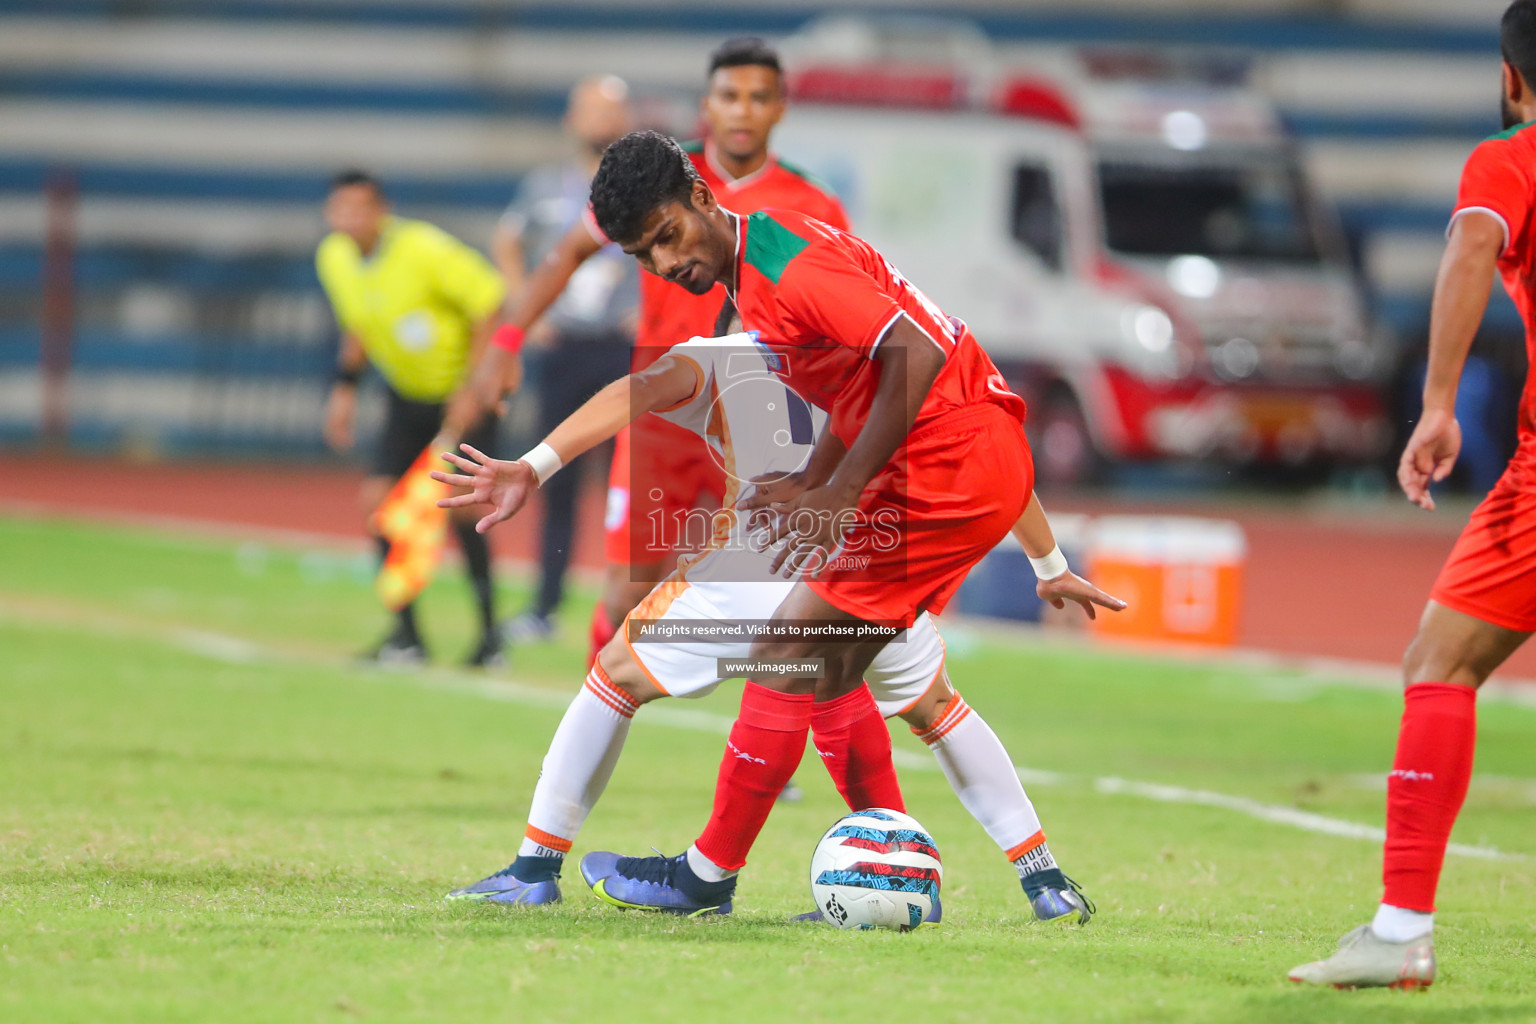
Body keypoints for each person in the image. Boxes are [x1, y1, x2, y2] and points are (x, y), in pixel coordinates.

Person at [471, 129, 1043, 914]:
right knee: (880, 690)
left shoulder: (764, 304)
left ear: (704, 197)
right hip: (948, 471)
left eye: (667, 238)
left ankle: (652, 874)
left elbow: (909, 354)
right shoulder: (777, 285)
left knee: (656, 669)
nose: (666, 265)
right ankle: (1009, 875)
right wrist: (824, 484)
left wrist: (833, 493)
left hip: (907, 482)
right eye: (645, 256)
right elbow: (881, 381)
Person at [431, 330, 1123, 919]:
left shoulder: (719, 352)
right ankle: (1040, 879)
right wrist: (1048, 562)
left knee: (615, 675)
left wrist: (535, 463)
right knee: (933, 706)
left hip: (763, 561)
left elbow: (629, 392)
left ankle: (536, 870)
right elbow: (984, 453)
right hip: (869, 559)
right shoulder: (875, 353)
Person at [446, 38, 849, 666]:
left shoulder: (814, 202)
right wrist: (507, 339)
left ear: (780, 109)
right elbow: (565, 252)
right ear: (708, 104)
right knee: (625, 593)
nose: (742, 111)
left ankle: (765, 757)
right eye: (729, 96)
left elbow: (836, 314)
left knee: (784, 601)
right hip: (662, 416)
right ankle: (596, 719)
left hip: (758, 421)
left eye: (758, 98)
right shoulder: (661, 176)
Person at [1289, 0, 1536, 990]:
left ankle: (1400, 930)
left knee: (1440, 658)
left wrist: (1437, 404)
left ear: (1512, 77)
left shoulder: (1510, 157)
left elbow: (1472, 245)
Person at [317, 170, 508, 667]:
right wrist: (343, 391)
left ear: (382, 210)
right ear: (329, 214)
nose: (351, 219)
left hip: (460, 396)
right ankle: (407, 637)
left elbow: (489, 301)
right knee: (379, 506)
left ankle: (490, 638)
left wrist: (475, 386)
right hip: (407, 398)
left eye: (362, 208)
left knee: (465, 510)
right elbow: (358, 326)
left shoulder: (424, 248)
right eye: (342, 209)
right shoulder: (334, 258)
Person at [490, 75, 639, 643]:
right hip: (566, 345)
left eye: (612, 110)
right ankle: (546, 606)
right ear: (570, 119)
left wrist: (649, 305)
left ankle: (638, 610)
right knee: (554, 474)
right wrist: (529, 309)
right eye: (591, 109)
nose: (601, 120)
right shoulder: (546, 187)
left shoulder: (644, 183)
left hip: (626, 347)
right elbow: (507, 240)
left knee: (634, 480)